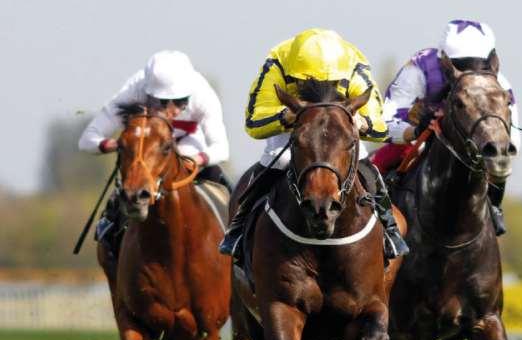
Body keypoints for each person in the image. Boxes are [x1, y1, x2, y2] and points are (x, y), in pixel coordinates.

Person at [219, 28, 409, 260]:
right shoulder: (277, 62)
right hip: (297, 127)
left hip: (338, 131)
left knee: (363, 163)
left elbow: (381, 127)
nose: (321, 87)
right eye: (311, 82)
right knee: (277, 159)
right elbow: (253, 121)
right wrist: (284, 117)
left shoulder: (354, 64)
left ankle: (389, 228)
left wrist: (363, 123)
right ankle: (238, 229)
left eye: (329, 82)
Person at [373, 19, 520, 236]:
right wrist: (414, 131)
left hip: (469, 144)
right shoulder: (418, 68)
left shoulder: (499, 83)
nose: (472, 74)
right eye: (462, 65)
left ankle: (494, 206)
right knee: (382, 160)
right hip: (418, 138)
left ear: (491, 61)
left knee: (498, 155)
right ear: (444, 59)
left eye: (479, 66)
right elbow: (383, 123)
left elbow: (513, 137)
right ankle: (374, 207)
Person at [78, 50, 231, 258]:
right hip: (147, 152)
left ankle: (238, 232)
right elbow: (87, 140)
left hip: (188, 145)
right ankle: (111, 240)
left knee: (228, 189)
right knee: (126, 189)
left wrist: (195, 160)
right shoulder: (134, 89)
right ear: (149, 92)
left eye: (180, 101)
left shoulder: (203, 94)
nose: (171, 110)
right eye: (161, 101)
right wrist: (121, 145)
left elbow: (221, 148)